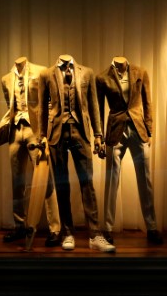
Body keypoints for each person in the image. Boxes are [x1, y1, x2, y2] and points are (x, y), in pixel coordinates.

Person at [37, 54, 115, 252]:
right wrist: (42, 135)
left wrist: (98, 134)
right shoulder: (46, 74)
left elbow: (94, 106)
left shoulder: (86, 72)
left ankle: (95, 235)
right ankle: (67, 232)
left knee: (87, 183)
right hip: (56, 134)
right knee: (62, 185)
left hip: (81, 132)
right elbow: (42, 110)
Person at [96, 57, 163, 245]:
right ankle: (107, 228)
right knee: (111, 181)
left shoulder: (140, 72)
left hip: (138, 129)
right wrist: (99, 136)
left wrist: (149, 130)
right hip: (115, 129)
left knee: (145, 179)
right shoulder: (102, 78)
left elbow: (148, 102)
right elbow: (98, 109)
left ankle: (151, 227)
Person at [0, 56, 61, 247]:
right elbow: (10, 106)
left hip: (37, 131)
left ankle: (55, 229)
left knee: (46, 180)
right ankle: (20, 225)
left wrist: (46, 130)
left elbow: (51, 102)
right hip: (16, 131)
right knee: (17, 181)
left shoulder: (41, 71)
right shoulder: (5, 79)